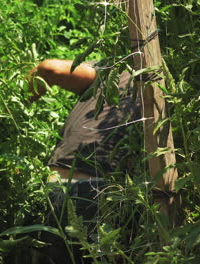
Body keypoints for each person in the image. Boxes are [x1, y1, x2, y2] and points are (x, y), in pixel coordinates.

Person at [26, 59, 142, 263]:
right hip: (109, 195)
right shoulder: (162, 86)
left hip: (66, 186)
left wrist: (16, 105)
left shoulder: (114, 69)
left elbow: (51, 69)